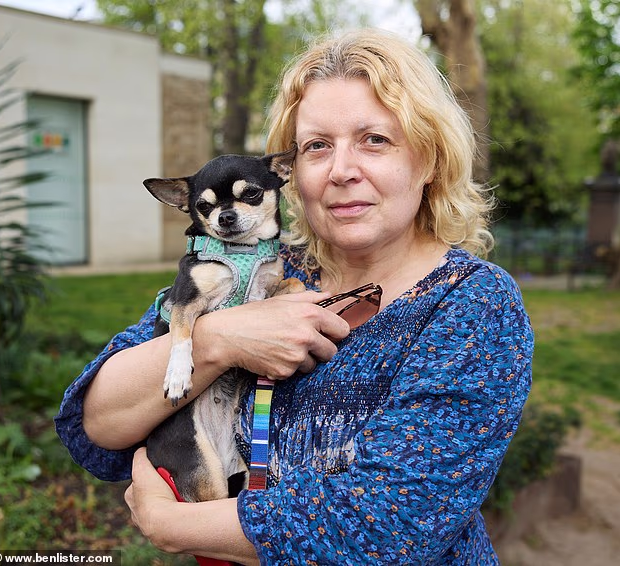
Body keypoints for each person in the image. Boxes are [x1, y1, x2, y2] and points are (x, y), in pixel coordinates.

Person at [56, 28, 533, 565]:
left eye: (375, 140)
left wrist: (176, 526)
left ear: (428, 161)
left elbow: (389, 528)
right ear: (290, 171)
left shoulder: (472, 304)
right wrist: (217, 340)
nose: (342, 171)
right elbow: (97, 423)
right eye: (317, 146)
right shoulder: (252, 268)